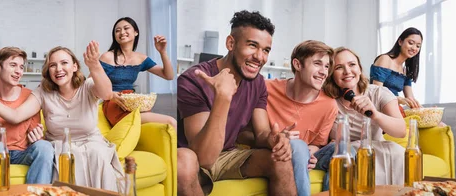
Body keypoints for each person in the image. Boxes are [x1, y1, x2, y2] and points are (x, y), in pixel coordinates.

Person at [0, 42, 123, 191]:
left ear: (75, 66)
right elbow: (16, 116)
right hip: (59, 145)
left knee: (93, 153)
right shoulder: (42, 92)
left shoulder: (88, 86)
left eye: (64, 63)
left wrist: (95, 65)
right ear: (48, 71)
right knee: (59, 152)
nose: (59, 69)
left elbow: (106, 94)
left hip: (89, 143)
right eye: (52, 65)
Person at [177, 10, 297, 196]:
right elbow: (205, 158)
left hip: (228, 155)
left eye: (266, 50)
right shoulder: (193, 80)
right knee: (183, 161)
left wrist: (274, 139)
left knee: (279, 160)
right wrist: (223, 98)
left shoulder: (257, 83)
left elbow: (262, 133)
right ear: (231, 43)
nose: (259, 57)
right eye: (252, 45)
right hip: (196, 161)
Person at [0, 47, 54, 185]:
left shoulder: (30, 98)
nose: (19, 71)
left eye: (21, 67)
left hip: (22, 152)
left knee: (45, 146)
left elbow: (35, 139)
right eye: (13, 65)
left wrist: (37, 137)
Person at [321, 47, 407, 185]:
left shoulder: (379, 93)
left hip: (376, 149)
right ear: (331, 74)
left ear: (360, 69)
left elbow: (401, 131)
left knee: (398, 152)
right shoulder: (327, 100)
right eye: (339, 67)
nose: (347, 71)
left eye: (352, 65)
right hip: (346, 153)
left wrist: (375, 114)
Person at [263, 40, 338, 196]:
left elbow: (317, 143)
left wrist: (310, 154)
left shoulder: (329, 105)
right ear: (297, 65)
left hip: (307, 156)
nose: (324, 72)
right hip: (276, 153)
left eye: (326, 66)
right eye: (317, 63)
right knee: (296, 145)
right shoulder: (267, 89)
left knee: (347, 147)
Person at [99, 17, 176, 128]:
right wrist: (111, 94)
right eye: (117, 30)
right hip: (114, 103)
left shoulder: (141, 58)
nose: (122, 32)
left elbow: (169, 75)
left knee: (163, 125)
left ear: (136, 32)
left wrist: (162, 52)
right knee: (171, 122)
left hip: (133, 103)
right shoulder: (107, 57)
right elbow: (91, 82)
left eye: (126, 28)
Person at [371, 27, 423, 109]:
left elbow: (411, 99)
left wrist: (429, 111)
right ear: (400, 42)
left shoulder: (405, 70)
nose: (414, 48)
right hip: (379, 109)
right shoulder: (385, 59)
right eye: (411, 43)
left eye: (418, 46)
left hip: (394, 109)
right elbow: (376, 92)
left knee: (436, 122)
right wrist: (397, 99)